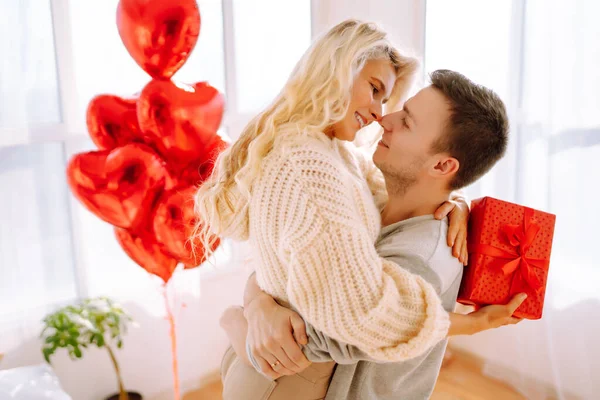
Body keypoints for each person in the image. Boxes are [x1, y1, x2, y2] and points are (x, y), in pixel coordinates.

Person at [195, 20, 475, 398]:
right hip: (289, 376)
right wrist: (471, 324)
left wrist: (454, 200)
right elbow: (359, 311)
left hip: (275, 363)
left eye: (385, 100)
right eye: (374, 90)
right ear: (337, 69)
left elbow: (391, 201)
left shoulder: (337, 153)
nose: (378, 113)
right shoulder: (307, 162)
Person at [220, 69, 524, 399]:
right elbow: (288, 263)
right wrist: (258, 303)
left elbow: (332, 334)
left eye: (407, 121)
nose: (385, 118)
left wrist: (238, 319)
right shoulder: (367, 198)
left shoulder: (422, 256)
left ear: (441, 167)